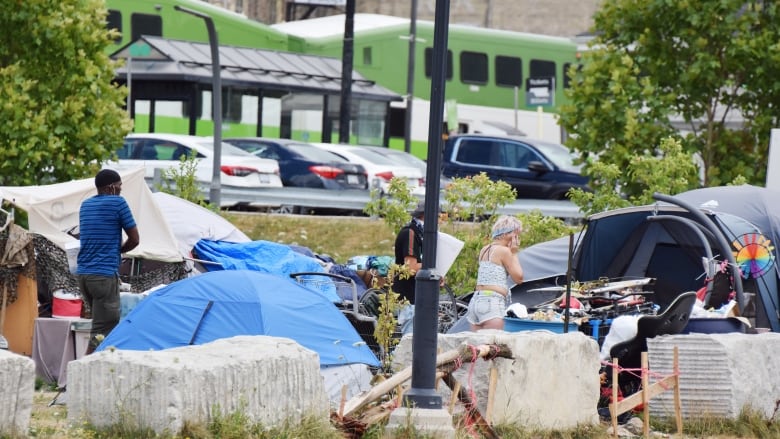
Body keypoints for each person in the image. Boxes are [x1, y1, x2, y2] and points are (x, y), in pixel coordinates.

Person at [77, 169, 139, 354]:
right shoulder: (117, 202)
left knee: (99, 326)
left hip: (84, 276)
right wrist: (119, 250)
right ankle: (81, 376)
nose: (121, 191)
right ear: (111, 188)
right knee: (103, 331)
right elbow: (135, 239)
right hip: (103, 276)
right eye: (119, 187)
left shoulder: (85, 205)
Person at [466, 215, 525, 331]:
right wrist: (514, 253)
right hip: (492, 303)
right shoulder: (505, 251)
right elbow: (519, 278)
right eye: (517, 235)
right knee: (494, 346)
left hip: (475, 301)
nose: (518, 239)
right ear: (509, 234)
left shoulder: (485, 249)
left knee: (478, 347)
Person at [393, 201, 426, 335]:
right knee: (408, 341)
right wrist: (434, 266)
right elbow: (410, 267)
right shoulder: (411, 233)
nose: (441, 221)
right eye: (439, 217)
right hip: (408, 296)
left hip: (416, 295)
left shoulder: (422, 233)